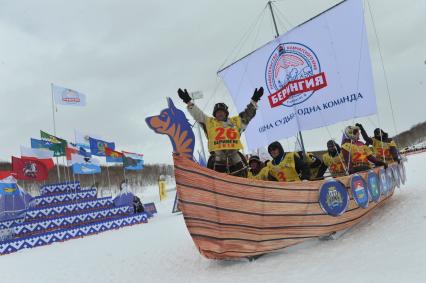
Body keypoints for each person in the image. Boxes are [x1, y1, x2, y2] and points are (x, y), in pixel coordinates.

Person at [177, 87, 264, 177]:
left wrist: (254, 100)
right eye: (217, 112)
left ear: (226, 113)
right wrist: (188, 101)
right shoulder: (209, 122)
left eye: (222, 111)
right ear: (214, 114)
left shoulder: (236, 121)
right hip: (218, 158)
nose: (220, 113)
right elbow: (198, 114)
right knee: (215, 178)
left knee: (243, 174)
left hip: (235, 156)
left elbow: (247, 114)